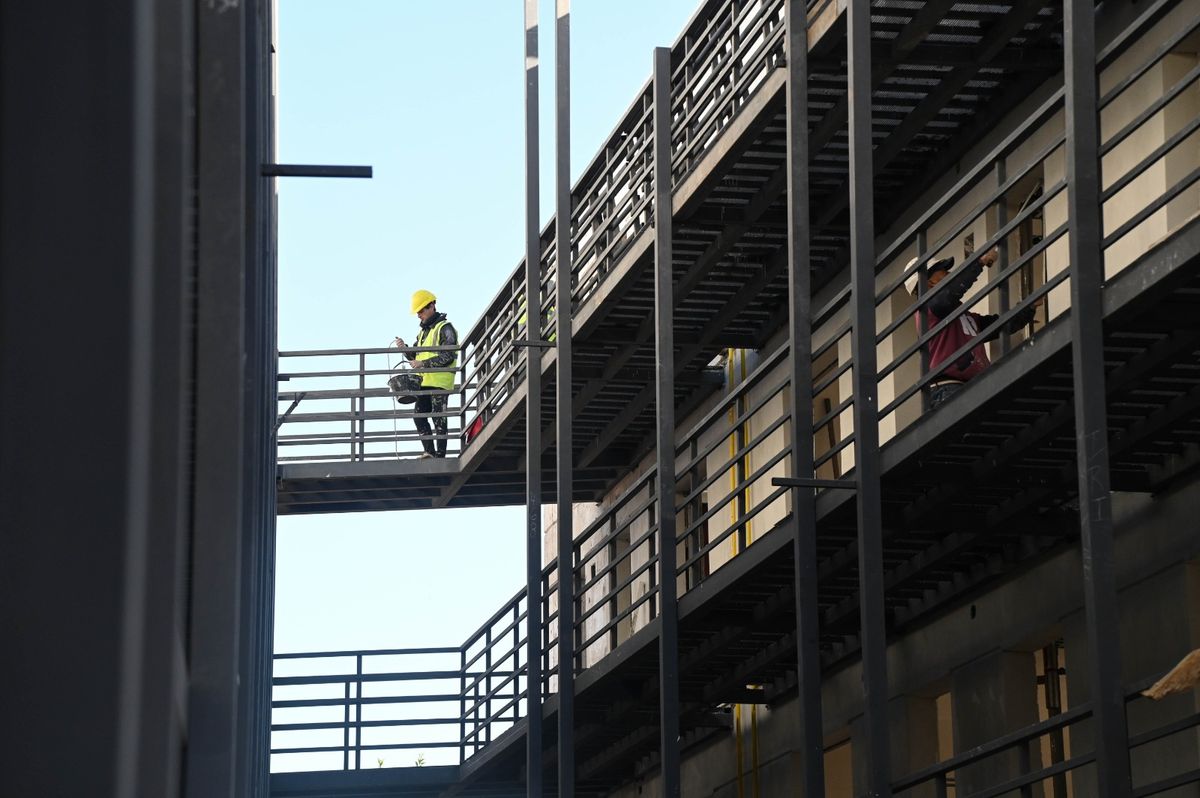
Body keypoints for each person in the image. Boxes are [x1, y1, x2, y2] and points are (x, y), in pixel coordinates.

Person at [906, 249, 1036, 409]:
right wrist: (979, 262)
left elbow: (1000, 325)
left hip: (970, 386)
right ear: (929, 282)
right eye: (943, 271)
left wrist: (1029, 308)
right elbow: (951, 292)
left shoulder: (962, 317)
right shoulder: (928, 309)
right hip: (948, 387)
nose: (949, 273)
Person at [394, 289, 458, 458]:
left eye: (421, 311)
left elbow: (448, 355)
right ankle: (429, 453)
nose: (419, 315)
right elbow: (415, 356)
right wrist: (404, 349)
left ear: (432, 306)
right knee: (419, 416)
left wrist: (423, 363)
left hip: (440, 382)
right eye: (417, 312)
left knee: (438, 418)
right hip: (424, 382)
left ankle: (440, 456)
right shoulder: (423, 333)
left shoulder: (445, 328)